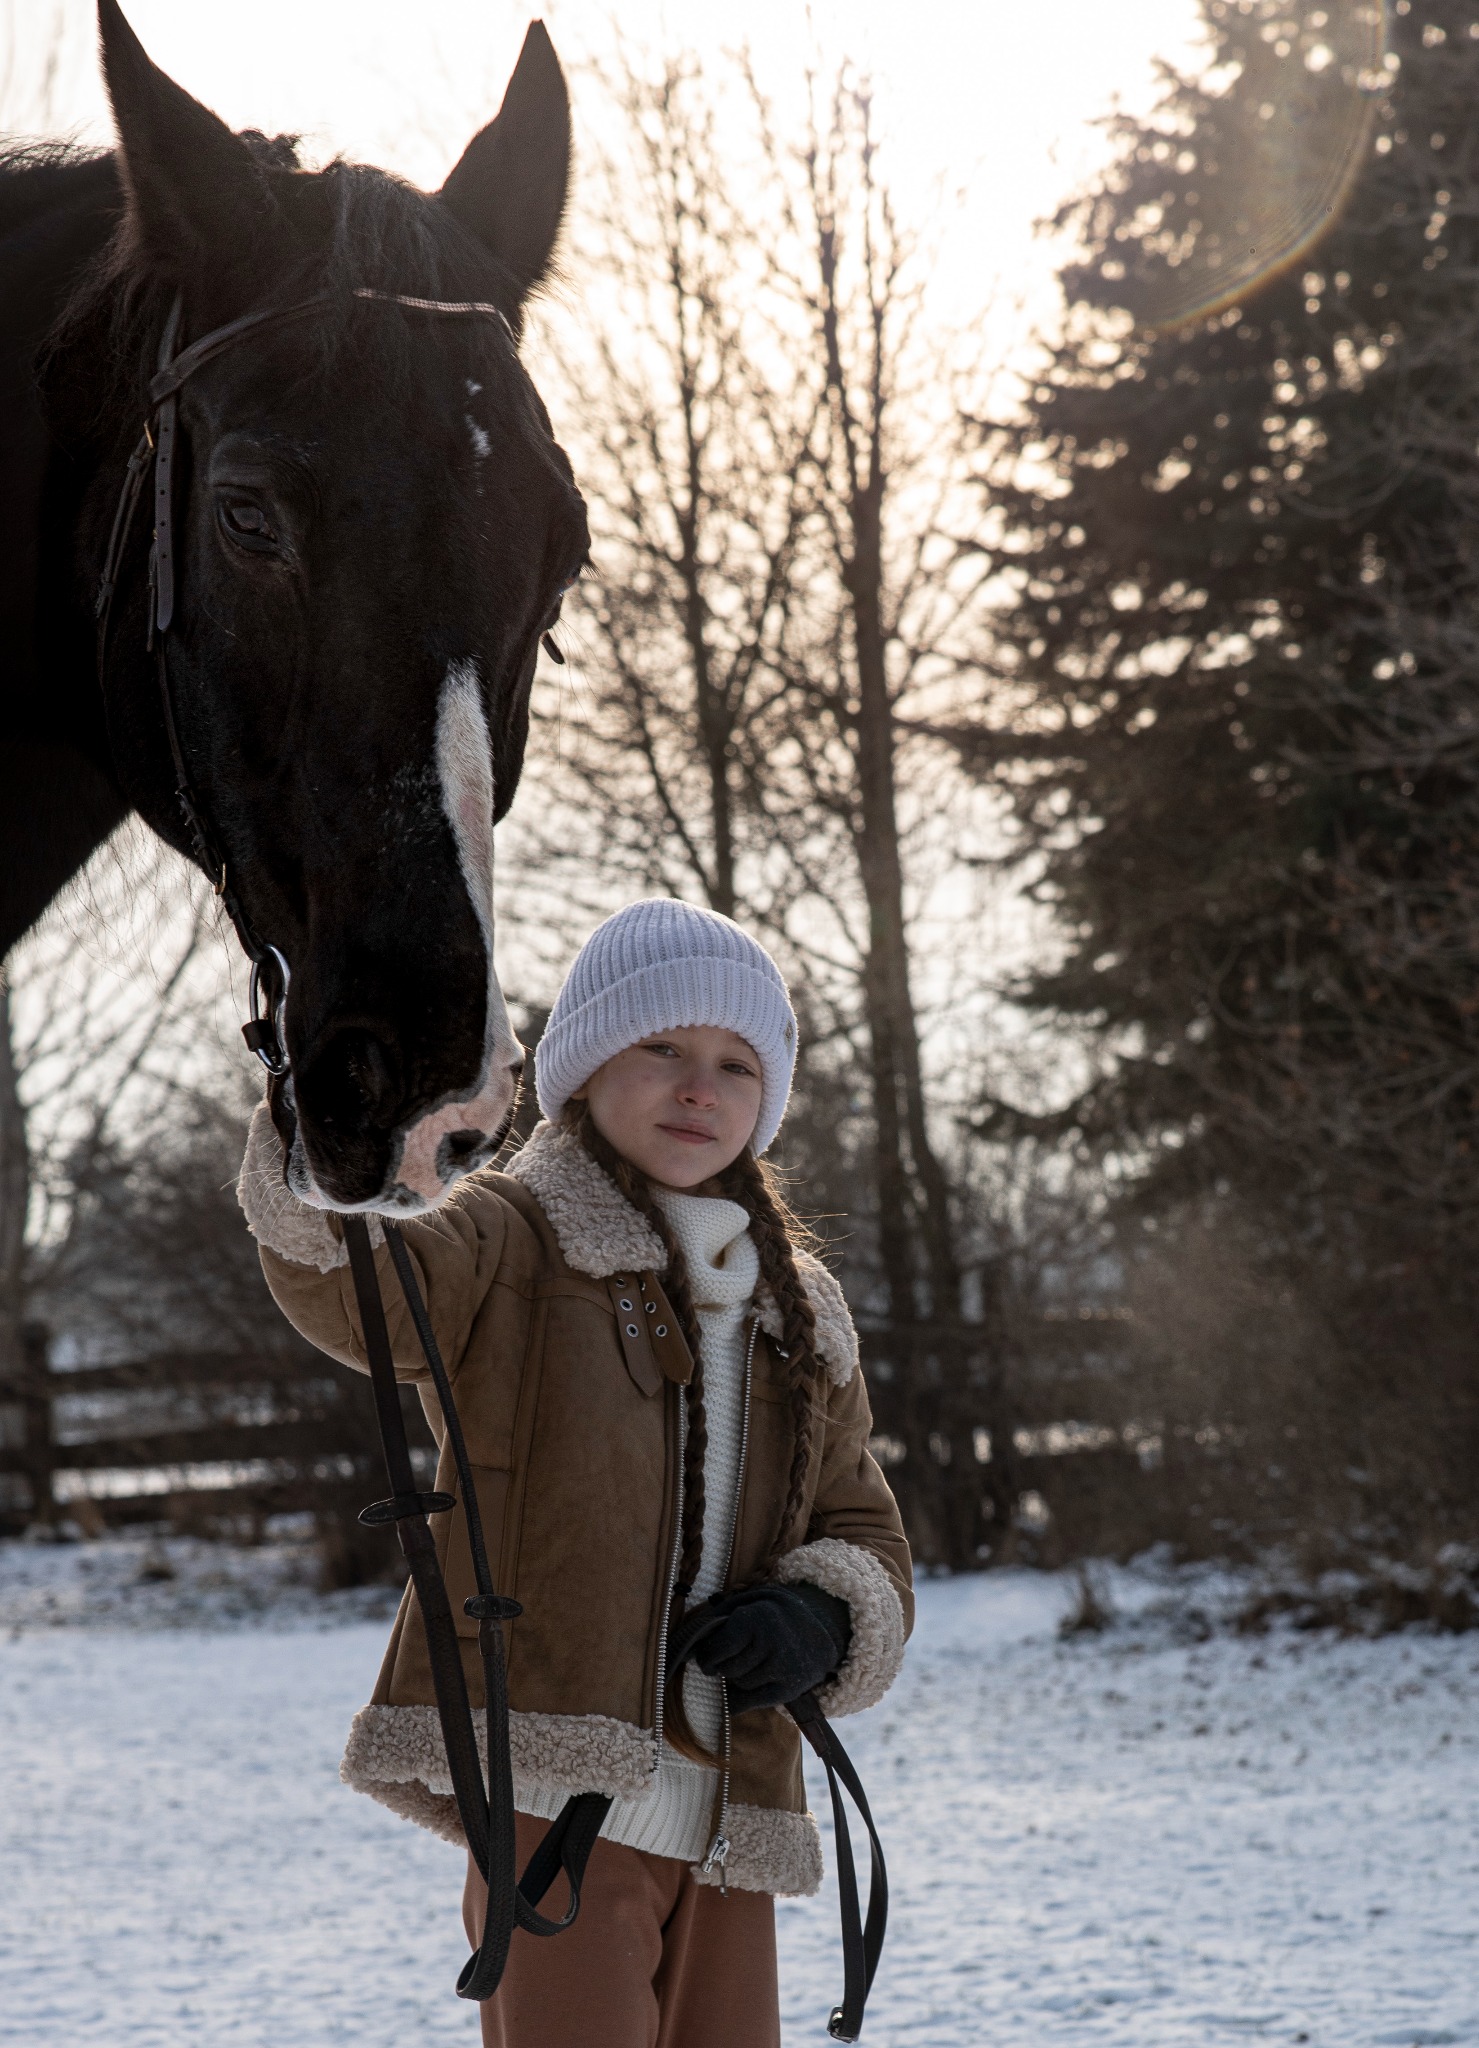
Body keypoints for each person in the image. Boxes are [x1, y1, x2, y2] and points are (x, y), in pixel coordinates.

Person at [237, 898, 912, 2048]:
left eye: (736, 1064)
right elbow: (363, 1283)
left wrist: (821, 1616)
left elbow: (867, 1529)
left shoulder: (798, 1308)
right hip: (557, 1803)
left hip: (730, 1814)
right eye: (662, 1048)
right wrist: (329, 1118)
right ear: (585, 1068)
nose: (699, 1086)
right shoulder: (511, 1236)